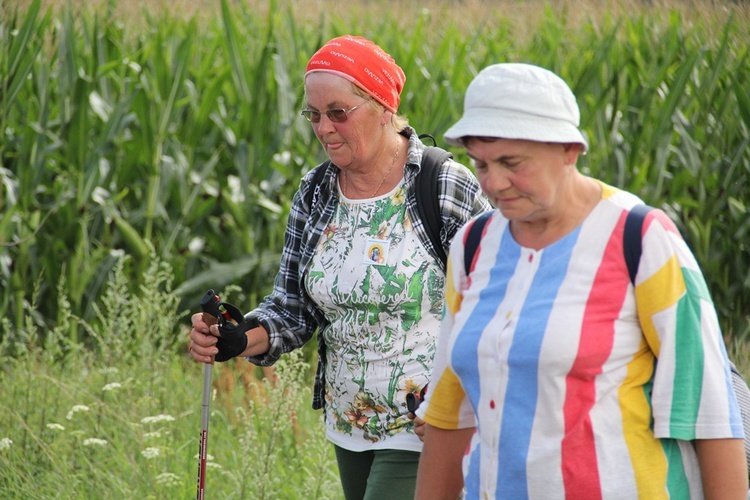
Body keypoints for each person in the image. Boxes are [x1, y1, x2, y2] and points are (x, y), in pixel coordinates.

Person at [414, 63, 748, 499]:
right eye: (481, 164)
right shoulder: (473, 245)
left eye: (512, 163)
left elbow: (708, 411)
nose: (494, 183)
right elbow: (449, 413)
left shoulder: (641, 239)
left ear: (569, 150)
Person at [188, 35, 491, 499]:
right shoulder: (315, 192)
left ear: (384, 106)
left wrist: (455, 394)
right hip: (348, 420)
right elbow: (293, 308)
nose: (324, 128)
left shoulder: (442, 184)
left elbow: (491, 301)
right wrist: (237, 338)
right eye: (313, 114)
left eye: (338, 112)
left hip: (430, 421)